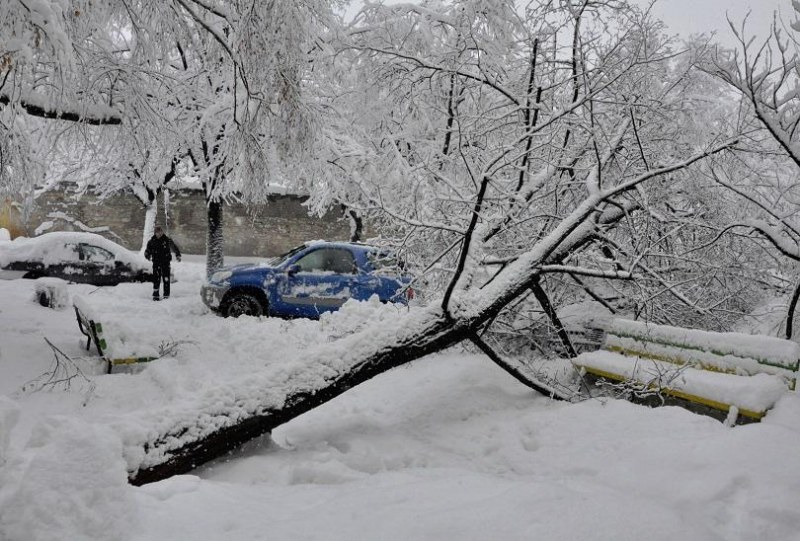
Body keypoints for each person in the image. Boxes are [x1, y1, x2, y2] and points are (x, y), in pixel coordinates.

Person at [144, 226, 181, 300]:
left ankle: (166, 295)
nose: (159, 234)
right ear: (155, 233)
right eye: (157, 232)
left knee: (166, 279)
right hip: (156, 263)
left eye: (160, 232)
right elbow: (148, 250)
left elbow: (174, 248)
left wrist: (178, 255)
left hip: (165, 263)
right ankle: (156, 295)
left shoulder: (167, 240)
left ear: (162, 232)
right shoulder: (152, 241)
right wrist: (147, 254)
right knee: (156, 279)